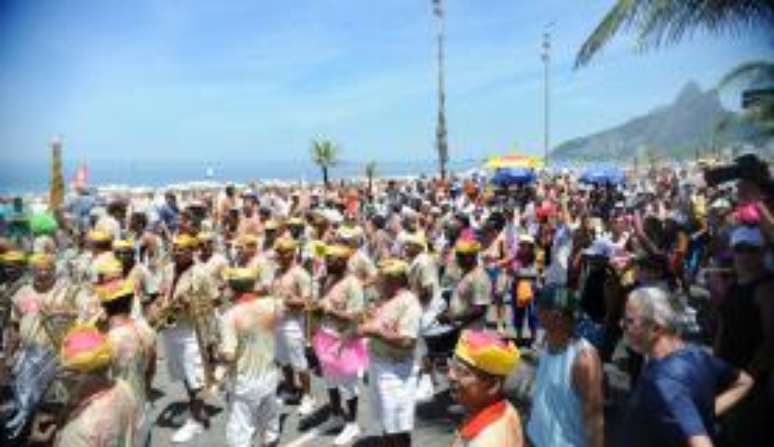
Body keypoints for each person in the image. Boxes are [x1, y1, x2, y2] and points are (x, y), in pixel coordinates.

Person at [621, 286, 754, 447]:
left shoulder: (663, 380)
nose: (622, 324)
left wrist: (696, 421)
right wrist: (702, 416)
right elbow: (745, 381)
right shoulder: (697, 354)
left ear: (656, 328)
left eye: (629, 321)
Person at [153, 234, 218, 443]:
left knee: (196, 377)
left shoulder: (201, 273)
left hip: (192, 331)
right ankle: (198, 410)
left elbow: (215, 300)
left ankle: (196, 421)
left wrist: (193, 307)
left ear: (192, 251)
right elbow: (162, 294)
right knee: (184, 375)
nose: (177, 252)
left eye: (182, 249)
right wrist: (161, 305)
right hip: (171, 329)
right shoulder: (167, 269)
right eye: (175, 248)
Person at [713, 225, 774, 446]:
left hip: (751, 378)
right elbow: (723, 327)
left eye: (752, 249)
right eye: (740, 249)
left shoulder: (766, 288)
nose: (745, 255)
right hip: (729, 370)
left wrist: (748, 376)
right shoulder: (733, 285)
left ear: (762, 253)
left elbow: (771, 341)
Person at [527, 285, 604, 447]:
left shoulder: (584, 359)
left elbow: (594, 417)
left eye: (541, 307)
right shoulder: (547, 342)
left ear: (557, 316)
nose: (536, 311)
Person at [358, 258, 422, 447]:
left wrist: (377, 332)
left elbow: (407, 341)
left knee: (398, 426)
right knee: (386, 422)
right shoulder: (387, 298)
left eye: (381, 279)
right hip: (379, 364)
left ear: (395, 281)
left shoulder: (409, 303)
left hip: (396, 371)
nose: (377, 282)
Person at [219, 267, 284, 447]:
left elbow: (229, 356)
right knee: (270, 429)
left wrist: (218, 354)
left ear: (232, 288)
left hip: (244, 383)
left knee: (240, 435)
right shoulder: (271, 304)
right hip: (270, 377)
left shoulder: (229, 316)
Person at [310, 243, 366, 446]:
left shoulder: (353, 284)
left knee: (348, 385)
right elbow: (322, 307)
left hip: (344, 340)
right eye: (327, 258)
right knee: (330, 380)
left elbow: (356, 317)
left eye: (331, 259)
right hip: (325, 336)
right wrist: (316, 309)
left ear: (343, 262)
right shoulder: (329, 279)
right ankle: (336, 416)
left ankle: (352, 424)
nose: (327, 261)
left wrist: (329, 311)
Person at [49, 324, 139, 447]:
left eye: (68, 372)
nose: (64, 378)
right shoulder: (124, 387)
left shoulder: (77, 432)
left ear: (82, 376)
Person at [96, 277, 156, 444]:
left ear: (104, 307)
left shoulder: (105, 340)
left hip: (114, 413)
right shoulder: (146, 329)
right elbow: (151, 370)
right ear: (130, 303)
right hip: (140, 405)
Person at [448, 329, 524, 446]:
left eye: (462, 372)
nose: (451, 375)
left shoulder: (484, 441)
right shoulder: (507, 408)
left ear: (493, 385)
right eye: (452, 365)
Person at [271, 237, 316, 416]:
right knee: (283, 360)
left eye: (282, 253)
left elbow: (308, 302)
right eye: (278, 253)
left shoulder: (300, 274)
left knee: (299, 362)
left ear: (291, 254)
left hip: (293, 323)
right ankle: (290, 389)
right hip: (277, 322)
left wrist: (291, 301)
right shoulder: (277, 272)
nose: (279, 256)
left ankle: (308, 396)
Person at [441, 239, 492, 330]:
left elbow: (479, 309)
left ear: (472, 256)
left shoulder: (480, 277)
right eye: (457, 255)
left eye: (461, 256)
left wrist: (454, 318)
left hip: (473, 332)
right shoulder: (464, 273)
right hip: (460, 329)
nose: (458, 259)